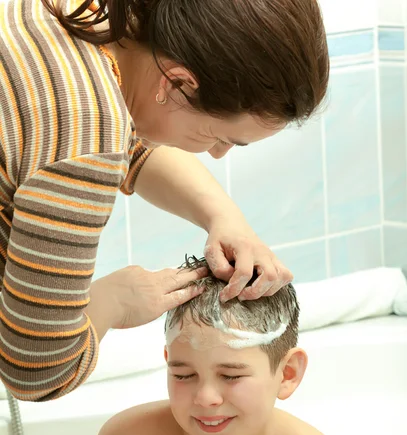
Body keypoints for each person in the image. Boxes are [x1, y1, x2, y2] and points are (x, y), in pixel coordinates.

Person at [0, 0, 329, 401]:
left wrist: (224, 217)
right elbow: (36, 370)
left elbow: (122, 141)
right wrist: (117, 299)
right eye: (220, 136)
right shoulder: (87, 129)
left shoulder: (81, 17)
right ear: (175, 84)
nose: (217, 154)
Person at [71, 256, 378, 435]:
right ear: (167, 362)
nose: (205, 397)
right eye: (184, 374)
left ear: (287, 374)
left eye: (231, 376)